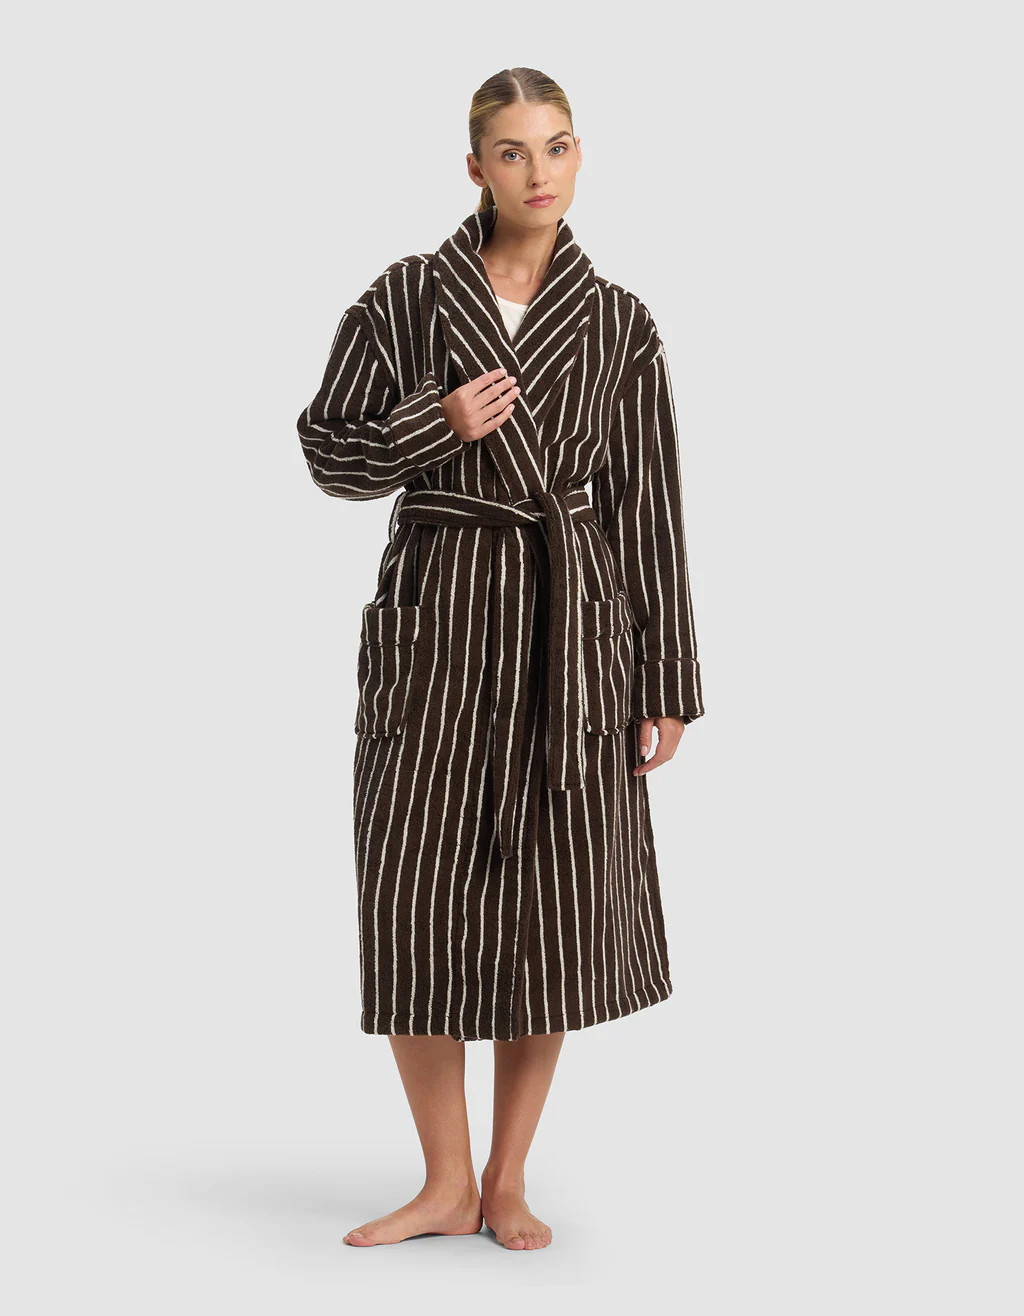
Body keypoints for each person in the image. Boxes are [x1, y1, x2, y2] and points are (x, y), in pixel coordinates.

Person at [296, 66, 705, 1251]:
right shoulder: (406, 296)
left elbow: (647, 505)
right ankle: (443, 1179)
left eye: (558, 146)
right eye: (514, 152)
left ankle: (507, 1177)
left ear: (580, 156)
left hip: (569, 634)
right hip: (437, 621)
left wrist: (664, 678)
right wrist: (436, 423)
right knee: (414, 886)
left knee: (554, 900)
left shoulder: (619, 321)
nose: (539, 172)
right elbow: (327, 450)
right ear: (474, 167)